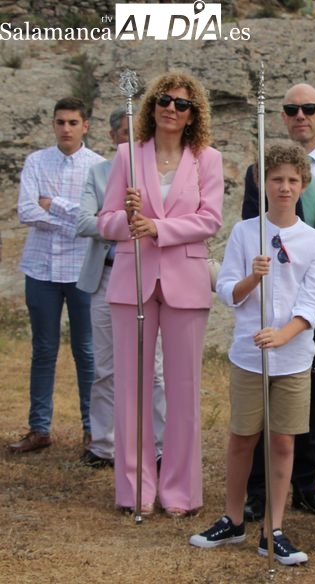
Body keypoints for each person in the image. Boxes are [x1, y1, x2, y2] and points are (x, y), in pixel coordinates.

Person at [189, 141, 315, 566]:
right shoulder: (245, 233)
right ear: (261, 182)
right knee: (243, 437)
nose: (284, 188)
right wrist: (252, 277)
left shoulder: (314, 241)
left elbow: (311, 301)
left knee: (283, 440)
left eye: (292, 180)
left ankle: (274, 528)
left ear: (303, 185)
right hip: (249, 355)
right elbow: (227, 291)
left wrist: (284, 335)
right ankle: (233, 520)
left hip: (293, 357)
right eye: (276, 179)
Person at [97, 71, 223, 516]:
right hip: (132, 281)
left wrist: (159, 228)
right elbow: (105, 221)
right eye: (165, 100)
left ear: (193, 115)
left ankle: (180, 492)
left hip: (186, 283)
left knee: (184, 390)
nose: (172, 108)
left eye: (182, 104)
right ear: (152, 106)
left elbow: (210, 219)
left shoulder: (207, 159)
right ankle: (136, 489)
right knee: (132, 387)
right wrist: (128, 221)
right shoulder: (128, 155)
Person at [240, 82, 315, 520]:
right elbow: (252, 232)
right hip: (274, 301)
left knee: (312, 394)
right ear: (282, 116)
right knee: (267, 392)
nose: (300, 115)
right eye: (291, 109)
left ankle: (304, 482)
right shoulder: (257, 172)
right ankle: (259, 488)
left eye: (309, 108)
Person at [9, 97, 103, 454]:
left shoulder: (98, 167)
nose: (66, 128)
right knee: (43, 349)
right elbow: (27, 210)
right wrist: (73, 221)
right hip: (41, 268)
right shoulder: (36, 161)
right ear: (53, 124)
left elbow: (96, 220)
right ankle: (39, 428)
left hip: (82, 270)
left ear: (85, 126)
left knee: (87, 351)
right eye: (60, 122)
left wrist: (56, 207)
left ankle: (93, 430)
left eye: (73, 122)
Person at [75, 107, 167, 469]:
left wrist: (134, 223)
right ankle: (103, 445)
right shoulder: (97, 173)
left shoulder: (158, 171)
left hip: (149, 276)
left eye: (137, 133)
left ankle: (159, 446)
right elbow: (84, 221)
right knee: (106, 367)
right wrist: (127, 222)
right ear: (114, 137)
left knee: (155, 368)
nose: (132, 139)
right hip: (108, 275)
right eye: (125, 132)